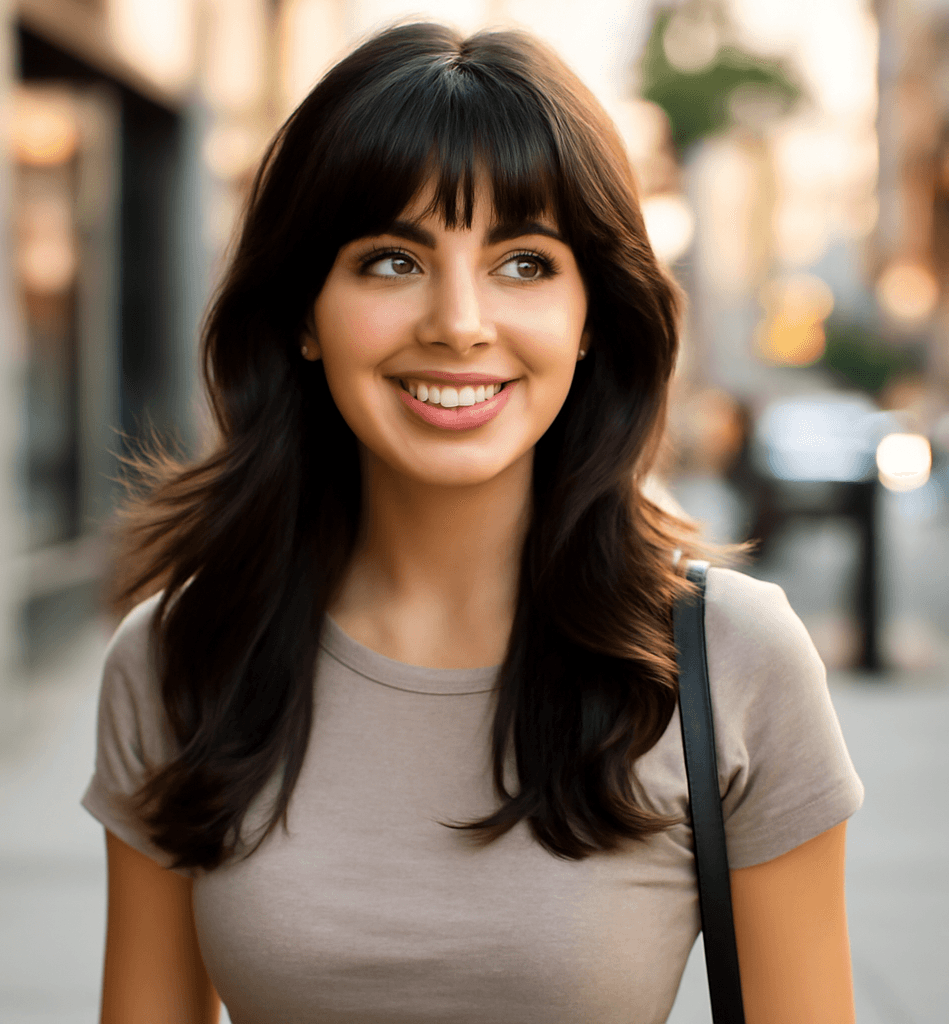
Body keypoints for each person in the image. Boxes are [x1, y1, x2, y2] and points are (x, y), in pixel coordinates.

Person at [83, 23, 863, 1024]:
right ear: (302, 315)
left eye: (524, 263)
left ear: (592, 317)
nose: (458, 321)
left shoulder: (729, 663)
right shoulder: (179, 656)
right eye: (392, 261)